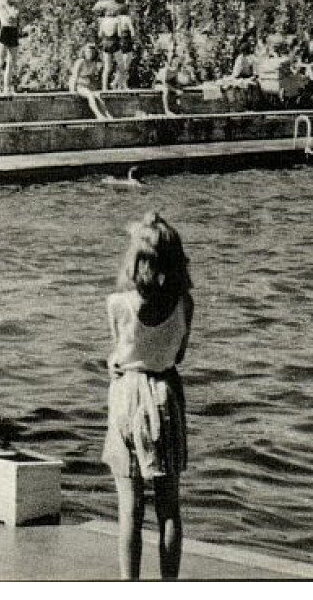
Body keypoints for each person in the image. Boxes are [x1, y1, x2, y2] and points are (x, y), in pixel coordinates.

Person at [103, 213, 193, 581]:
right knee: (169, 507)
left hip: (126, 394)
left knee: (130, 507)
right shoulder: (185, 305)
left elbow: (119, 353)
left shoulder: (117, 303)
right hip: (164, 394)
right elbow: (178, 355)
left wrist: (116, 361)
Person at [69, 44, 114, 121]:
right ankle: (98, 115)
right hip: (79, 85)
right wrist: (72, 90)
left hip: (88, 85)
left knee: (98, 96)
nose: (90, 54)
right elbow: (74, 76)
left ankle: (107, 114)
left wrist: (93, 86)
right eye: (88, 52)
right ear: (85, 52)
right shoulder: (80, 62)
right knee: (90, 96)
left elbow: (92, 77)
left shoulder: (94, 63)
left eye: (92, 52)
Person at [0, 0, 20, 95]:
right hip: (5, 30)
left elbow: (15, 17)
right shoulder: (0, 4)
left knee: (12, 61)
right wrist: (11, 15)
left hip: (14, 31)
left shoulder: (15, 5)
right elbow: (6, 19)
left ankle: (7, 88)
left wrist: (12, 15)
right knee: (0, 60)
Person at [111, 0, 137, 90]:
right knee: (126, 63)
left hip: (118, 40)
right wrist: (134, 39)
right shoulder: (127, 18)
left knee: (121, 64)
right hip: (126, 39)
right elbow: (132, 31)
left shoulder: (116, 18)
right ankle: (120, 83)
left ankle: (118, 84)